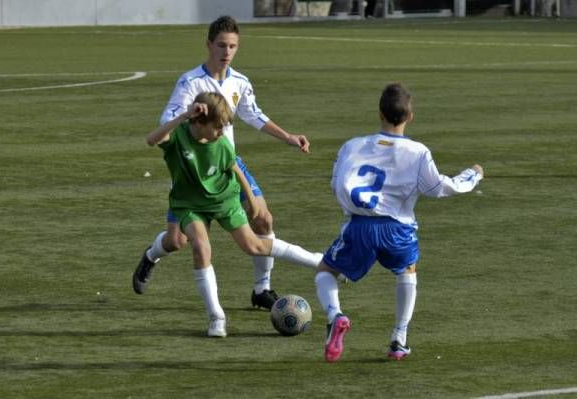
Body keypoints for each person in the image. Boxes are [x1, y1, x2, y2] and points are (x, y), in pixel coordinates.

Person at [133, 16, 311, 310]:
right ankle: (151, 255)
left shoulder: (239, 82)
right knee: (176, 241)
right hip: (194, 169)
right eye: (221, 45)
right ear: (208, 45)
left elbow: (254, 114)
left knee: (264, 218)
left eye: (232, 46)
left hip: (229, 163)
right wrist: (189, 114)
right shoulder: (190, 82)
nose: (226, 52)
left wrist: (288, 137)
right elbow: (166, 122)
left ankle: (261, 289)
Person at [315, 83, 484, 362]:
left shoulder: (352, 145)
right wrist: (472, 174)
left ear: (380, 113)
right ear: (410, 116)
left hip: (360, 226)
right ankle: (398, 339)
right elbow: (438, 188)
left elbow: (336, 185)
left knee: (326, 269)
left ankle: (335, 315)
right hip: (398, 229)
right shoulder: (417, 152)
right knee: (407, 270)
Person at [144, 92, 322, 337]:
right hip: (189, 205)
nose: (220, 133)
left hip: (224, 200)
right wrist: (184, 116)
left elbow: (235, 169)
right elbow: (152, 139)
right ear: (198, 122)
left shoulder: (222, 144)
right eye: (216, 128)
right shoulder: (179, 136)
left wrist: (251, 200)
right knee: (200, 246)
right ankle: (216, 317)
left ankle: (318, 261)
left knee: (255, 246)